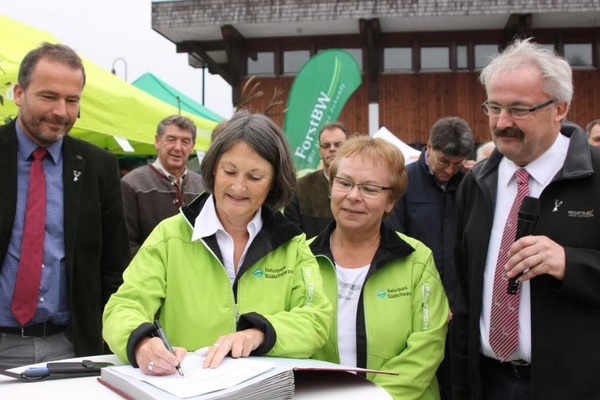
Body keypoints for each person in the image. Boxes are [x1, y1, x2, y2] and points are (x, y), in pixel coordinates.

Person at [103, 109, 332, 375]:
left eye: (255, 177)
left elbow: (316, 320)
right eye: (229, 171)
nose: (238, 186)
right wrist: (142, 343)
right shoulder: (170, 236)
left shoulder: (291, 245)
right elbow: (122, 307)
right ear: (212, 170)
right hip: (187, 389)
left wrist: (258, 334)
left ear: (274, 182)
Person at [451, 38, 600, 400]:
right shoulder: (476, 182)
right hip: (489, 382)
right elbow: (465, 290)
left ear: (559, 108)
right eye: (494, 107)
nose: (502, 123)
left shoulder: (596, 176)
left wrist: (570, 263)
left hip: (576, 386)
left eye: (518, 109)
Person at [0, 42, 131, 369]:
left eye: (72, 100)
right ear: (19, 93)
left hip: (72, 349)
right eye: (49, 96)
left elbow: (115, 267)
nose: (62, 111)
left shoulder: (98, 166)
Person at [310, 135, 449, 399]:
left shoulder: (416, 259)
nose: (353, 196)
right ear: (331, 187)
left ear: (391, 201)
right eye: (345, 183)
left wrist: (371, 397)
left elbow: (427, 346)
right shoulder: (300, 258)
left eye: (370, 189)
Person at [386, 116, 473, 400]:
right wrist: (433, 299)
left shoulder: (471, 185)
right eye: (444, 161)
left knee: (457, 381)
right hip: (417, 300)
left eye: (457, 164)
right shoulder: (405, 182)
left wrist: (457, 299)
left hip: (460, 304)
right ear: (429, 147)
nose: (450, 170)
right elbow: (398, 244)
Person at [121, 114, 206, 256]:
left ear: (193, 146)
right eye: (171, 139)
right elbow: (127, 244)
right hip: (150, 274)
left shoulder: (203, 187)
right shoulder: (131, 184)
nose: (178, 148)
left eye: (185, 141)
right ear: (157, 141)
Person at [284, 122, 349, 238]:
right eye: (326, 145)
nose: (332, 149)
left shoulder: (362, 187)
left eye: (338, 145)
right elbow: (292, 235)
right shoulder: (300, 188)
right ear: (320, 151)